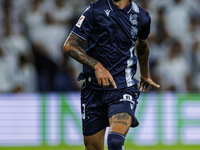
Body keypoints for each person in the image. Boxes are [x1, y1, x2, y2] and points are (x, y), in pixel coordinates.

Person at [63, 0, 160, 149]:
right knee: (92, 147)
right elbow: (69, 45)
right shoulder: (95, 9)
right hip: (93, 91)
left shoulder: (142, 17)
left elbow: (142, 45)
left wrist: (145, 74)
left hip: (122, 87)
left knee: (115, 142)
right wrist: (96, 66)